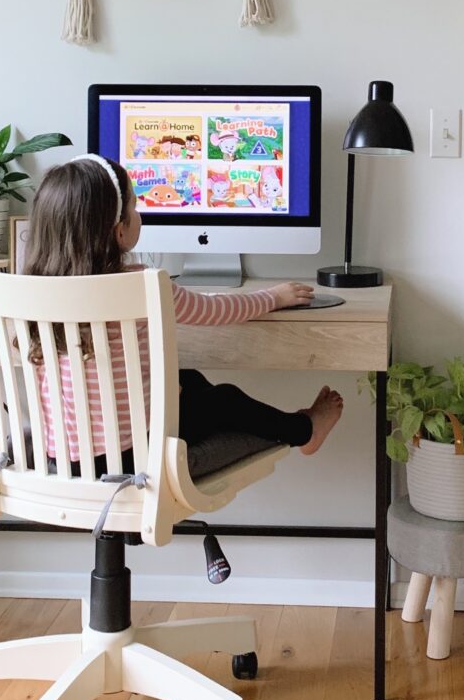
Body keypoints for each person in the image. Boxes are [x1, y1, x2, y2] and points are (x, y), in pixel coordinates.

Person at [23, 155, 343, 473]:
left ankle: (289, 426)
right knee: (225, 400)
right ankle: (304, 430)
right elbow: (215, 310)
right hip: (132, 455)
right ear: (119, 231)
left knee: (187, 379)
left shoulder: (31, 291)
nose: (139, 213)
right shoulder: (141, 285)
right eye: (134, 206)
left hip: (62, 457)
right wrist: (272, 297)